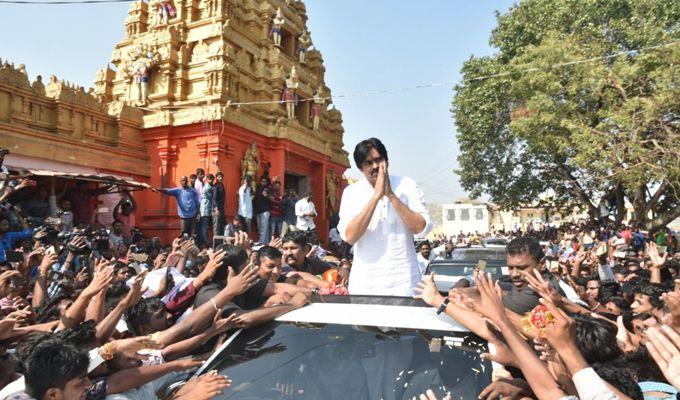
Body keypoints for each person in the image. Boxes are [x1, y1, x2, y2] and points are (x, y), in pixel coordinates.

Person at [337, 138, 431, 296]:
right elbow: (350, 237)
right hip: (366, 285)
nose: (375, 166)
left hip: (404, 283)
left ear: (386, 160)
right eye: (368, 163)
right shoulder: (351, 192)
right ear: (361, 168)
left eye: (378, 160)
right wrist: (376, 197)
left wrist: (390, 195)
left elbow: (420, 229)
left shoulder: (407, 185)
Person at [198, 174, 214, 247]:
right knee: (205, 227)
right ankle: (206, 242)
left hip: (205, 209)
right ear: (207, 179)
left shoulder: (207, 186)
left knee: (203, 226)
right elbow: (212, 197)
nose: (211, 180)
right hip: (206, 209)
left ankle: (203, 242)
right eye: (210, 179)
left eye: (212, 179)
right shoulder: (208, 187)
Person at [253, 177, 271, 244]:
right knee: (260, 227)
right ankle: (265, 242)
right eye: (262, 181)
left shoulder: (269, 189)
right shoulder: (258, 189)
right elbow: (255, 200)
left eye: (265, 181)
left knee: (264, 227)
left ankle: (261, 241)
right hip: (258, 210)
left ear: (267, 182)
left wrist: (267, 195)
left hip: (265, 210)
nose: (263, 182)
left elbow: (272, 199)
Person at [212, 171, 226, 241]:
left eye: (221, 177)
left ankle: (220, 242)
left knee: (221, 225)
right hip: (217, 209)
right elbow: (214, 198)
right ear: (216, 178)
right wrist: (216, 209)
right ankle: (216, 242)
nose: (220, 178)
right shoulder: (216, 186)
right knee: (216, 226)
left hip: (222, 208)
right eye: (219, 177)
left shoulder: (222, 185)